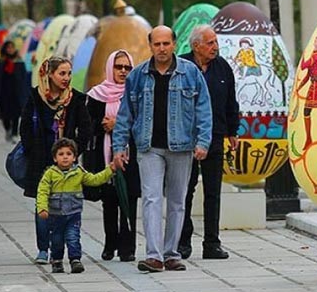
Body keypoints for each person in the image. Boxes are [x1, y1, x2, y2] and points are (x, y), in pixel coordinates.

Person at [111, 26, 212, 273]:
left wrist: (203, 141)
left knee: (178, 201)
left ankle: (171, 253)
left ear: (174, 44)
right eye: (157, 44)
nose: (162, 48)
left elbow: (204, 109)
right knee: (152, 199)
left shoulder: (190, 73)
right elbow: (125, 114)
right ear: (150, 46)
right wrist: (119, 147)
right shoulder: (137, 76)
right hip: (148, 147)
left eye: (166, 43)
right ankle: (154, 255)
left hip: (182, 146)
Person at [20, 56, 92, 265]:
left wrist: (72, 151)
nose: (66, 78)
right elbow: (25, 127)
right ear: (49, 74)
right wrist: (33, 150)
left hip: (67, 162)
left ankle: (68, 247)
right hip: (41, 160)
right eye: (62, 73)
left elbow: (86, 129)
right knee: (42, 204)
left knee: (68, 205)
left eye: (69, 73)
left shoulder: (76, 99)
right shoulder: (36, 97)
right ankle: (44, 248)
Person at [178, 25, 239, 260]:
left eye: (215, 42)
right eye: (210, 43)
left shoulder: (223, 67)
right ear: (196, 46)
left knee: (213, 191)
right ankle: (183, 240)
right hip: (186, 138)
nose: (216, 47)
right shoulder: (182, 66)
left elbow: (230, 101)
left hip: (215, 136)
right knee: (185, 190)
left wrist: (233, 131)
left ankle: (211, 242)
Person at [84, 50, 141, 262]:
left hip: (130, 156)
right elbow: (87, 128)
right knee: (109, 201)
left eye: (127, 67)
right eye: (119, 67)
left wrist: (118, 125)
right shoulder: (96, 95)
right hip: (104, 156)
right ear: (110, 68)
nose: (123, 71)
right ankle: (110, 244)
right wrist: (104, 127)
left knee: (130, 200)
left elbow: (143, 123)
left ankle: (128, 247)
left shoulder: (136, 93)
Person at [36, 138, 114, 274]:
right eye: (61, 154)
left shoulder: (79, 172)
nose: (65, 157)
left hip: (73, 214)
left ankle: (75, 260)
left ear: (74, 157)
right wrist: (42, 208)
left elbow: (94, 179)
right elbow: (42, 192)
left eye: (68, 154)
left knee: (73, 237)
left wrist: (110, 170)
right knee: (57, 239)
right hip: (56, 215)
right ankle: (57, 260)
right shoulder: (50, 174)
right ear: (55, 158)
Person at [0, 40, 29, 142]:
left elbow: (23, 77)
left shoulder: (19, 62)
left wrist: (24, 91)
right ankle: (8, 128)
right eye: (8, 48)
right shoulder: (0, 62)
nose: (10, 50)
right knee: (4, 113)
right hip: (3, 92)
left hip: (16, 92)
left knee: (16, 113)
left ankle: (14, 132)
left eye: (12, 47)